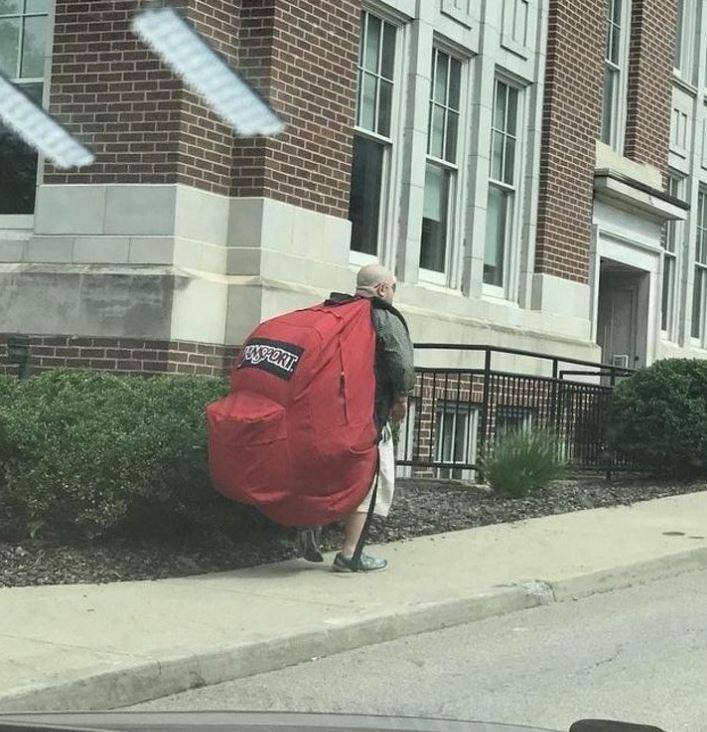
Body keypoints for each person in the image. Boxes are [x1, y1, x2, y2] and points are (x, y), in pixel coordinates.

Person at [295, 264, 415, 572]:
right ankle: (350, 554)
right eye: (393, 287)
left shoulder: (338, 310)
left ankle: (310, 524)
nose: (394, 293)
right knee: (369, 480)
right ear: (381, 290)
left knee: (331, 473)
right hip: (367, 416)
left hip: (329, 412)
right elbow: (401, 363)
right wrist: (401, 398)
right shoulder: (383, 316)